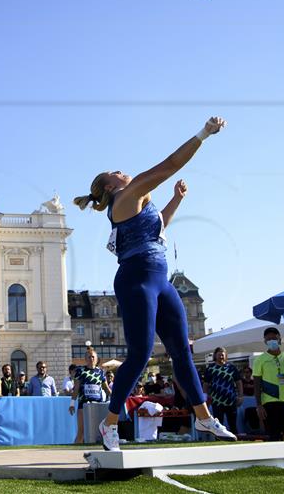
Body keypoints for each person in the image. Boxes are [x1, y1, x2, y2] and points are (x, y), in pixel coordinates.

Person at [74, 116, 237, 451]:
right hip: (135, 279)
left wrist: (177, 199)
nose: (123, 171)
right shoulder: (126, 196)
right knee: (140, 353)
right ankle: (109, 424)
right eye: (117, 171)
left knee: (182, 351)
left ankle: (204, 416)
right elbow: (170, 164)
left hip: (160, 279)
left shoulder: (137, 203)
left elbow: (158, 226)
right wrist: (203, 134)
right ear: (110, 186)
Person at [253, 327, 284, 441]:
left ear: (279, 339)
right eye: (269, 339)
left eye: (274, 338)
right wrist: (259, 405)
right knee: (274, 437)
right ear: (265, 341)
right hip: (269, 403)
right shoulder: (260, 360)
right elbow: (257, 384)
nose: (272, 341)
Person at [68, 348, 108, 444]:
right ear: (85, 359)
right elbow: (76, 389)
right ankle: (72, 453)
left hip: (98, 405)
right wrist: (72, 404)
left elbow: (106, 388)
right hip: (84, 405)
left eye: (93, 357)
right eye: (89, 357)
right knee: (82, 431)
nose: (91, 358)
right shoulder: (80, 371)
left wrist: (117, 397)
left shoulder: (100, 372)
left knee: (99, 431)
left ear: (96, 358)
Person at [203, 347, 243, 434]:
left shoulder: (231, 367)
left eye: (222, 354)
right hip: (217, 401)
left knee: (232, 424)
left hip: (231, 400)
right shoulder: (210, 368)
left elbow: (239, 382)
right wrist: (205, 397)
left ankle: (234, 438)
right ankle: (219, 440)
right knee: (218, 424)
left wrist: (240, 396)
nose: (221, 356)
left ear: (225, 355)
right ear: (215, 356)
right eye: (219, 354)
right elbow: (206, 384)